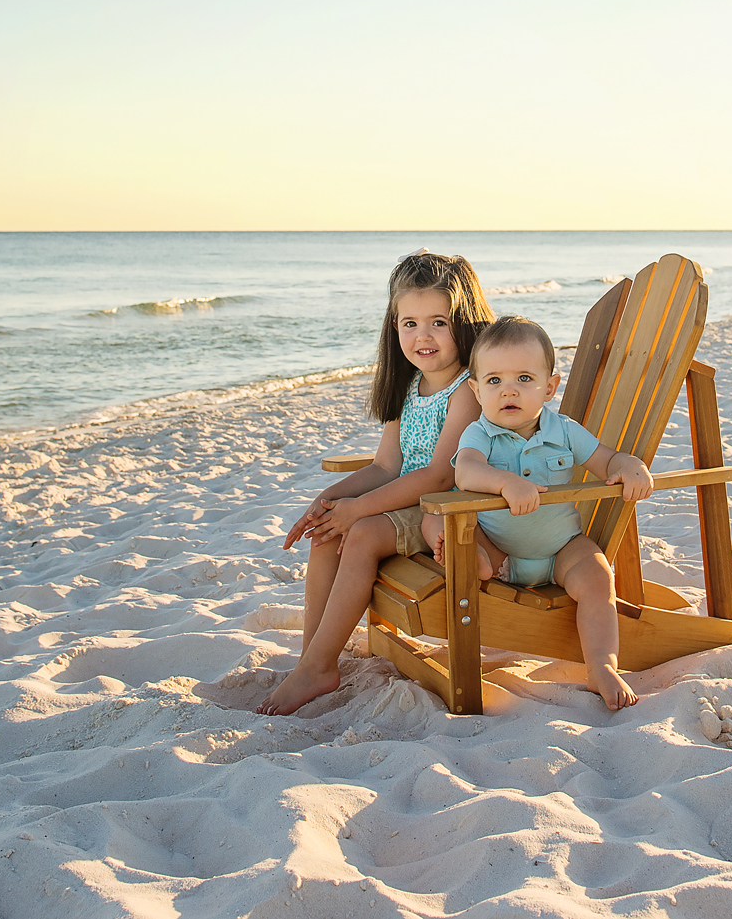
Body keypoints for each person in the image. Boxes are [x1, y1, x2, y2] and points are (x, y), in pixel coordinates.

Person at [256, 251, 492, 715]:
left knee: (359, 532)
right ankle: (314, 661)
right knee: (328, 532)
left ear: (463, 323)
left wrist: (359, 510)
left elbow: (439, 475)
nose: (422, 336)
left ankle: (318, 666)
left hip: (447, 512)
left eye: (438, 323)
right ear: (393, 325)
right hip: (408, 503)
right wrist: (328, 500)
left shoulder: (467, 388)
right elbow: (387, 467)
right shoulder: (410, 388)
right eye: (409, 323)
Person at [433, 315, 654, 709]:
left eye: (524, 379)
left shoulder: (565, 430)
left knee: (599, 575)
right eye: (494, 381)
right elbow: (465, 470)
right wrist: (505, 481)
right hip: (500, 550)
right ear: (477, 390)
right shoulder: (478, 434)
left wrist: (630, 465)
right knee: (465, 543)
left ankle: (602, 666)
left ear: (550, 387)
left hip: (560, 550)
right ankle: (467, 556)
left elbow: (606, 460)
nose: (508, 391)